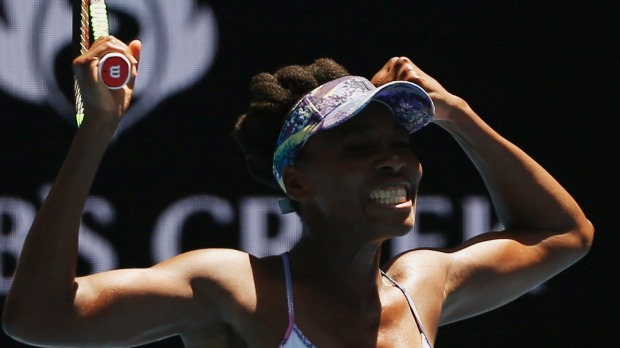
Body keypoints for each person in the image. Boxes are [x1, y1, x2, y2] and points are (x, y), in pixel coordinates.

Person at [2, 36, 593, 348]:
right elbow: (39, 318)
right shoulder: (234, 289)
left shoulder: (422, 288)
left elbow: (567, 235)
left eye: (401, 142)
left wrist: (454, 114)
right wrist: (98, 129)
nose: (395, 161)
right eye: (360, 148)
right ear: (299, 182)